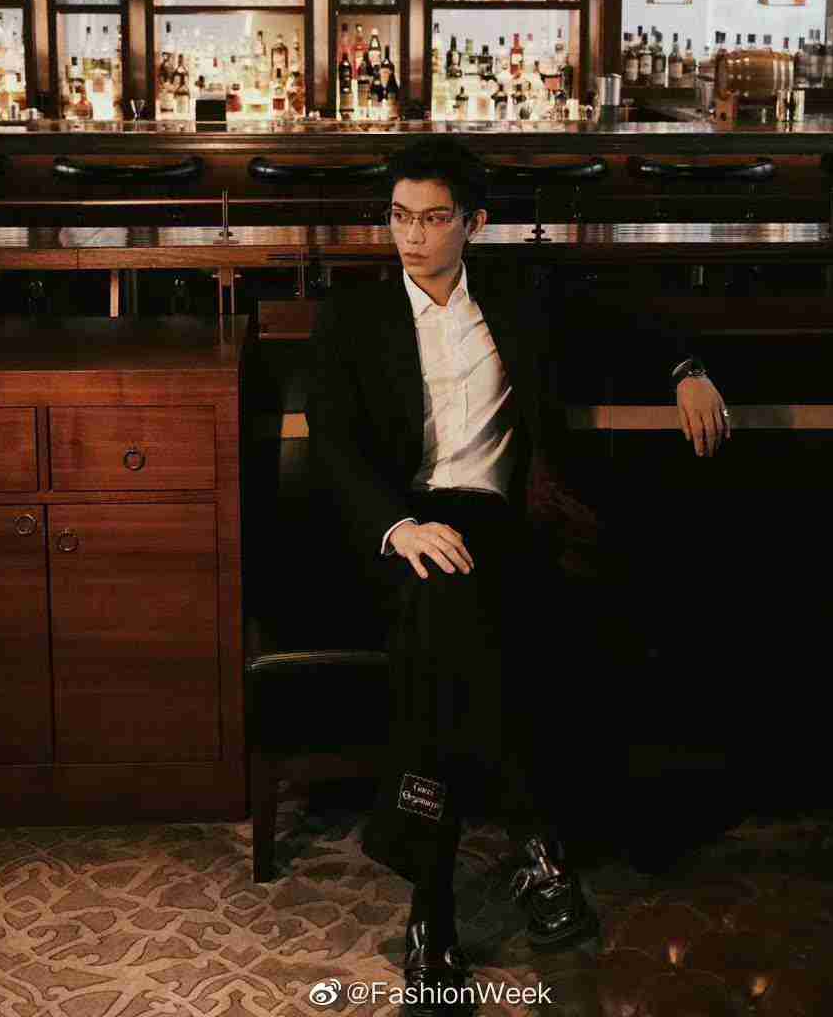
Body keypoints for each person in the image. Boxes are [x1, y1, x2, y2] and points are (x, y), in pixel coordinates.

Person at [305, 139, 728, 1014]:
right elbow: (335, 445)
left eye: (432, 219)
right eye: (398, 217)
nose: (411, 237)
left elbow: (626, 321)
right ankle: (535, 849)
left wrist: (687, 371)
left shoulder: (519, 297)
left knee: (455, 632)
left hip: (501, 524)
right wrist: (399, 527)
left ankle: (431, 904)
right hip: (406, 528)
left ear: (474, 223)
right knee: (452, 613)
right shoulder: (353, 316)